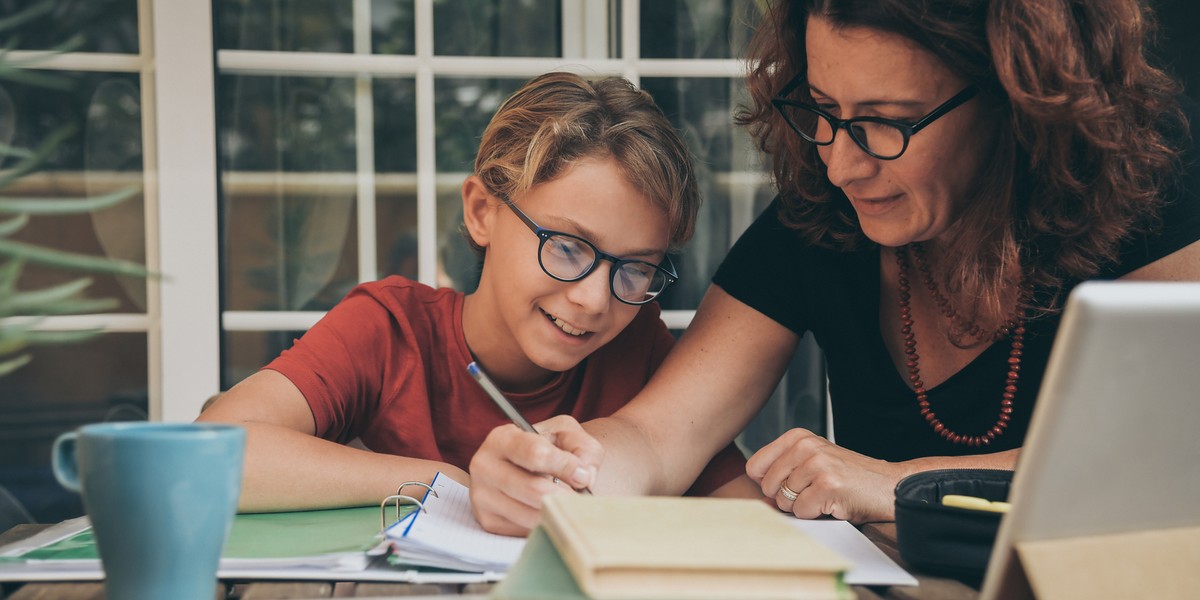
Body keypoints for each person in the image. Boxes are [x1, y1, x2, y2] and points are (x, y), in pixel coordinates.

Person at [468, 0, 1200, 535]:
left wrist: (894, 482)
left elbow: (1167, 462)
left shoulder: (1149, 207)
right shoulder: (818, 218)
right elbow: (661, 437)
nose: (840, 162)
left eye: (886, 120)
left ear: (1014, 99)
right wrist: (570, 471)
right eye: (823, 109)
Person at [198, 72, 755, 512]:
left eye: (635, 268)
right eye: (566, 247)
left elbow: (749, 522)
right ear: (482, 211)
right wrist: (447, 483)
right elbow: (207, 454)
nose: (594, 299)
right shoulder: (390, 331)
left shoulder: (639, 351)